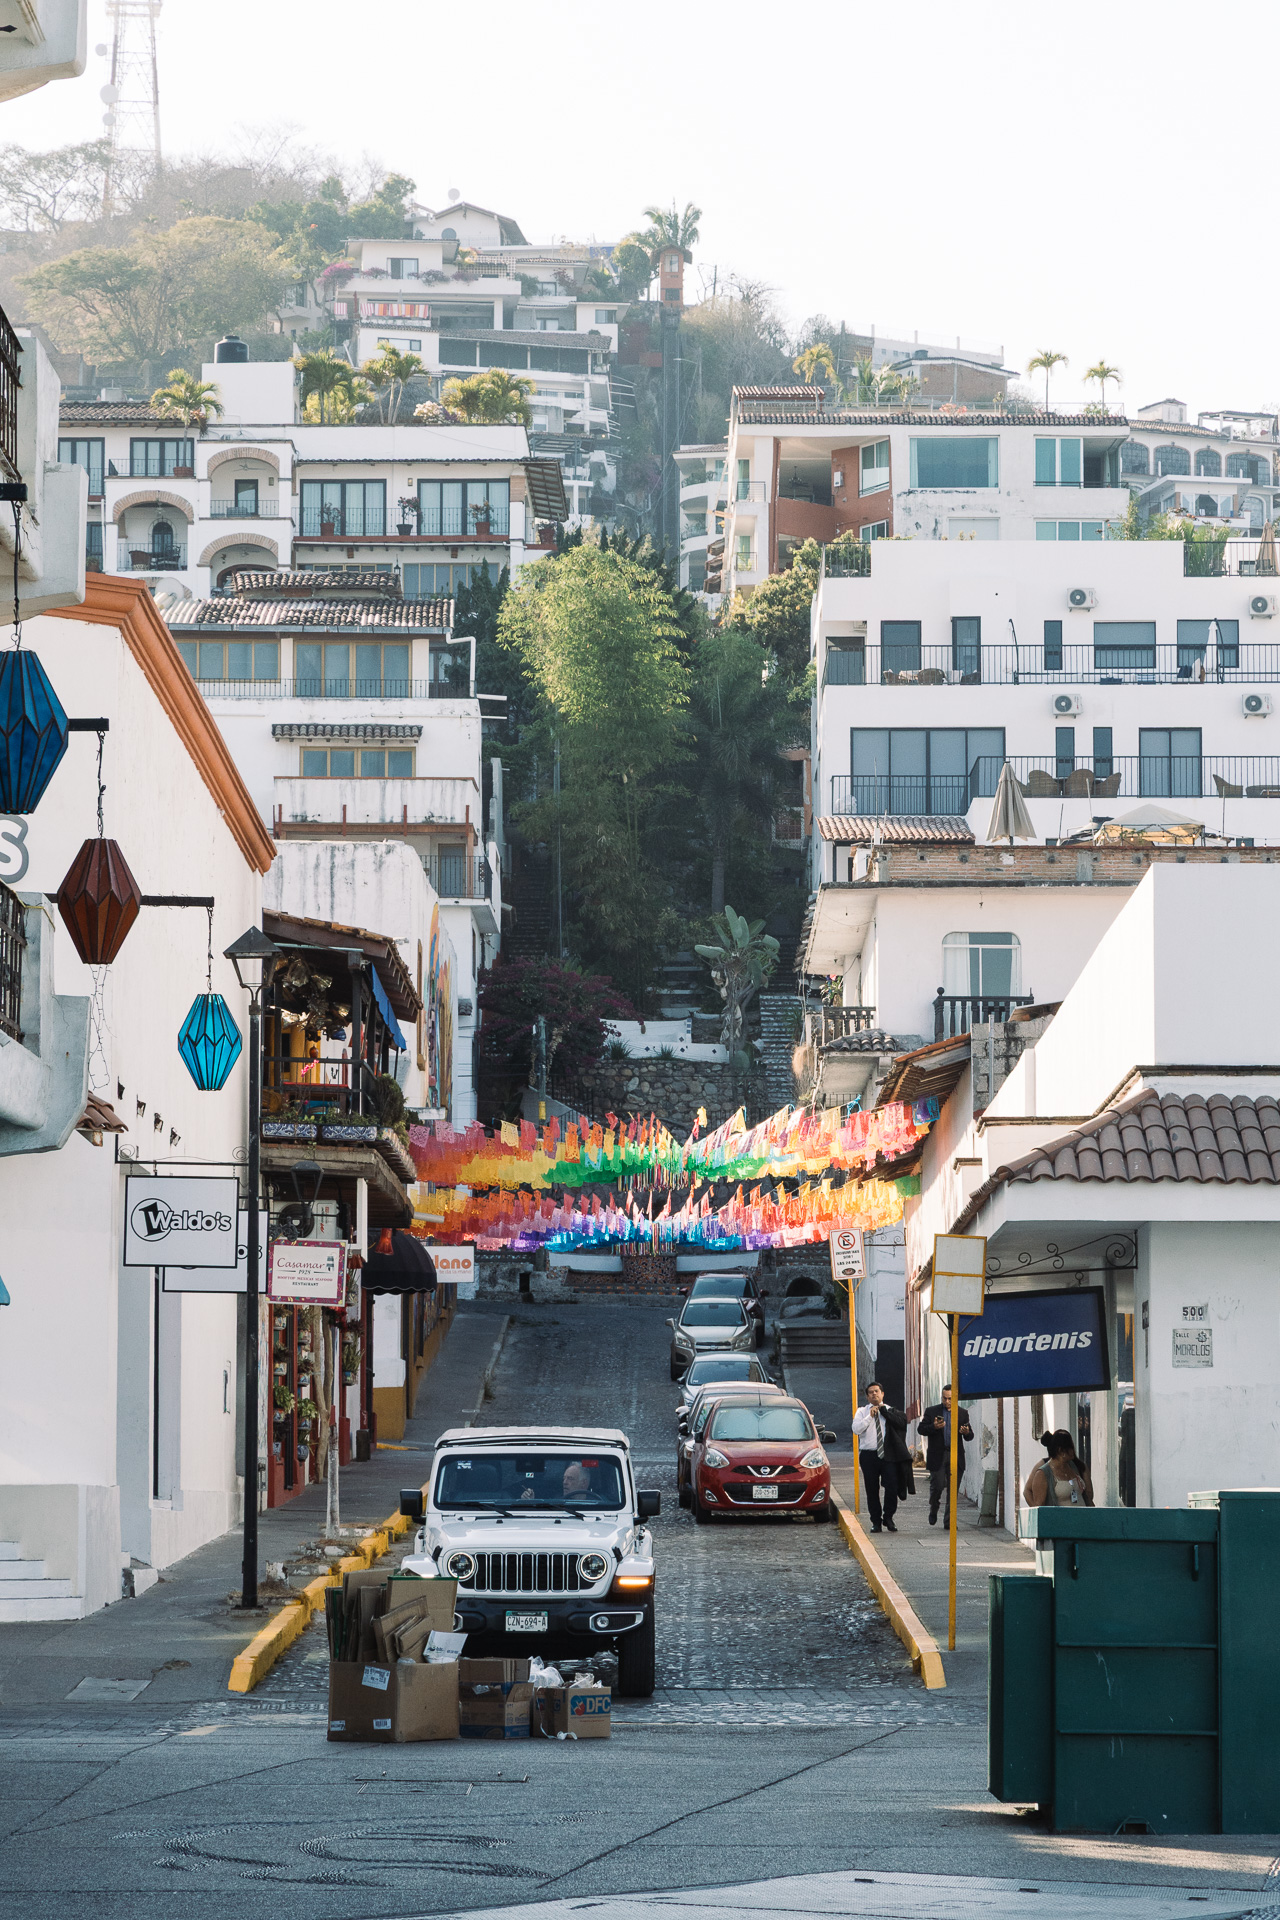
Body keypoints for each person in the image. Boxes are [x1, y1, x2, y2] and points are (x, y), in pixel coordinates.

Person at [852, 1383, 910, 1534]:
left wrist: (884, 1412)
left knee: (891, 1487)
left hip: (888, 1455)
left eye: (876, 1392)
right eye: (870, 1393)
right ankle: (875, 1521)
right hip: (868, 1455)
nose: (874, 1395)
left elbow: (902, 1423)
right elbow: (856, 1429)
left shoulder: (890, 1410)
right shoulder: (862, 1412)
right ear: (867, 1396)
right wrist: (869, 1417)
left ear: (882, 1394)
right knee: (872, 1489)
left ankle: (889, 1517)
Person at [918, 1383, 973, 1528]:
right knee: (938, 1486)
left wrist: (966, 1432)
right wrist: (933, 1427)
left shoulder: (962, 1413)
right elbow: (921, 1429)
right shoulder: (932, 1411)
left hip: (956, 1455)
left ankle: (949, 1521)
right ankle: (934, 1508)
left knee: (953, 1490)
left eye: (950, 1399)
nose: (947, 1402)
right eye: (944, 1398)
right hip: (938, 1455)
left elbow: (969, 1435)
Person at [1025, 1429, 1094, 1508]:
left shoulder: (1075, 1466)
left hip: (1082, 1517)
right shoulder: (1043, 1472)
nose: (1073, 1451)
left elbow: (1089, 1494)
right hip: (1060, 1518)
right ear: (1060, 1450)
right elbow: (1039, 1505)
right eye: (1070, 1448)